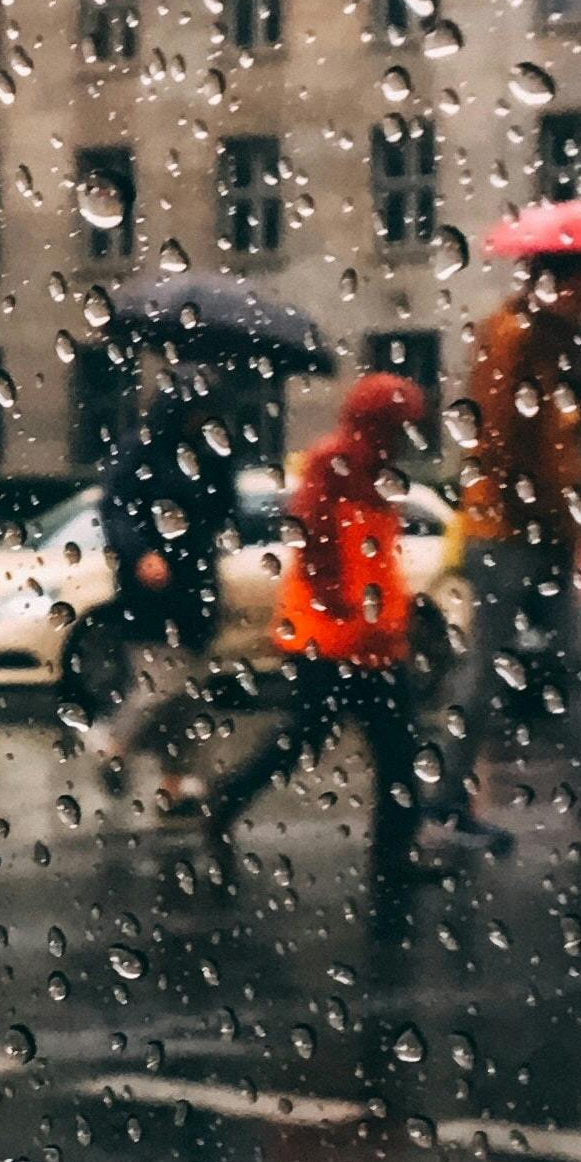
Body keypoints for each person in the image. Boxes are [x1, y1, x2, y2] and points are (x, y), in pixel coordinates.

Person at [206, 373, 440, 908]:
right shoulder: (333, 460)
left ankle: (393, 854)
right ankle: (228, 799)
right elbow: (309, 532)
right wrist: (339, 598)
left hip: (373, 637)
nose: (405, 434)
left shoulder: (378, 467)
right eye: (398, 422)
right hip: (332, 637)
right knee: (317, 738)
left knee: (392, 748)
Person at [450, 252, 581, 839]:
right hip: (505, 532)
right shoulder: (510, 336)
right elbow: (502, 440)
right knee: (486, 666)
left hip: (546, 535)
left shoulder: (565, 340)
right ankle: (444, 793)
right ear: (558, 283)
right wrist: (541, 514)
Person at [86, 360, 242, 813]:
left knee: (188, 697)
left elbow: (222, 511)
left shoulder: (211, 451)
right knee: (159, 686)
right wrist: (140, 554)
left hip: (195, 583)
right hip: (149, 590)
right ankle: (113, 744)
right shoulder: (140, 450)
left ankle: (173, 786)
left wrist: (222, 462)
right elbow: (115, 510)